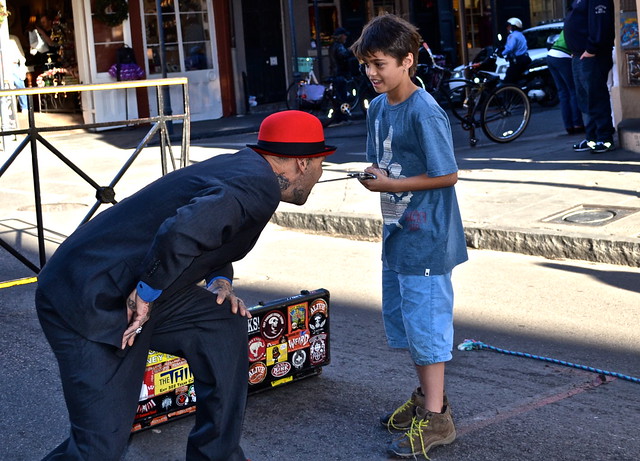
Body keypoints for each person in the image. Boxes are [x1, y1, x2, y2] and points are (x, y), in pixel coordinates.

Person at [35, 110, 336, 461]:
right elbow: (182, 231)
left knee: (222, 323)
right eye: (320, 165)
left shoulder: (245, 170)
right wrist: (146, 293)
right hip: (89, 296)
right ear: (304, 163)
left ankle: (216, 455)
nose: (320, 174)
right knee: (98, 448)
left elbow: (212, 234)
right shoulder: (255, 185)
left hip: (138, 287)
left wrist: (220, 280)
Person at [350, 14, 468, 459]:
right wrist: (374, 177)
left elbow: (448, 174)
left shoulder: (425, 111)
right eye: (366, 65)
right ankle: (425, 398)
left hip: (428, 238)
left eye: (380, 63)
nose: (372, 73)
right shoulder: (378, 108)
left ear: (408, 62)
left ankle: (438, 419)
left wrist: (393, 185)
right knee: (409, 325)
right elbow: (381, 163)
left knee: (428, 325)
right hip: (398, 233)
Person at [565, 0, 616, 153]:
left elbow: (600, 23)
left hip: (592, 55)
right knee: (586, 99)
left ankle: (605, 139)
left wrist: (591, 49)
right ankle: (592, 138)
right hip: (580, 54)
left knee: (596, 96)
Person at [547, 29, 585, 135]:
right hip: (563, 56)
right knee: (573, 91)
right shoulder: (581, 22)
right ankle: (577, 124)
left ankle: (568, 126)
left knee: (563, 92)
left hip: (551, 55)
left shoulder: (569, 22)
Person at [501, 17, 531, 84]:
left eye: (509, 26)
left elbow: (509, 48)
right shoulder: (520, 35)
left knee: (508, 80)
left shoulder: (512, 36)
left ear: (514, 27)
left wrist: (501, 53)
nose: (507, 28)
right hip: (525, 59)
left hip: (518, 60)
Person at [6, 35, 28, 111]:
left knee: (20, 84)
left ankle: (24, 107)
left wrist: (22, 65)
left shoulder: (13, 38)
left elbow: (20, 53)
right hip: (4, 64)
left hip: (13, 64)